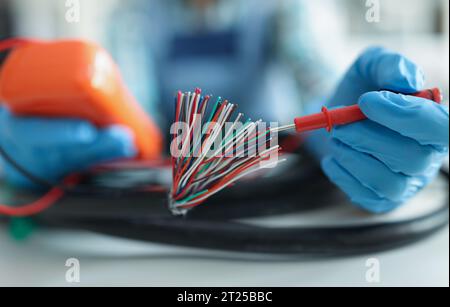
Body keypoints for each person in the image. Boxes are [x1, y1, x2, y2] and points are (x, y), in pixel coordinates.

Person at [0, 0, 448, 213]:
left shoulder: (286, 10)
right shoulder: (134, 18)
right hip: (169, 186)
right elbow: (130, 114)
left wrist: (339, 122)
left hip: (276, 185)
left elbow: (316, 79)